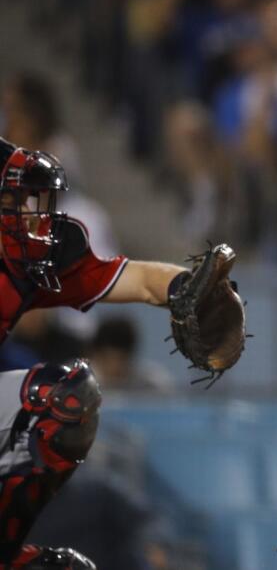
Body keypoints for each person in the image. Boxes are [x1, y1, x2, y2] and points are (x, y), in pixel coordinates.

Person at [0, 138, 233, 569]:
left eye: (34, 200)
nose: (32, 214)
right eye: (17, 200)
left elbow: (137, 278)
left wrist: (187, 288)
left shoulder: (35, 258)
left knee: (68, 397)